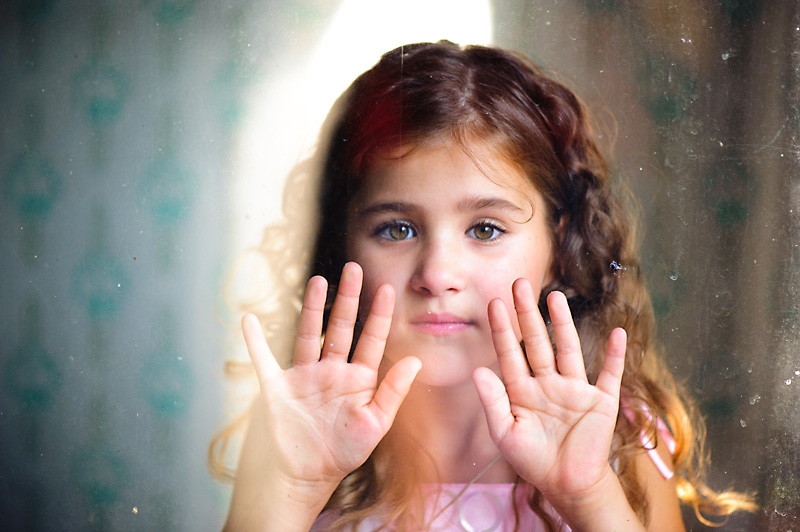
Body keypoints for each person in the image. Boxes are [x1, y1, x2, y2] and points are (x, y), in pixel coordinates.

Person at [211, 41, 756, 531]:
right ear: (344, 245)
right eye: (397, 229)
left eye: (486, 230)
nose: (437, 275)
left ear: (557, 248)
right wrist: (295, 486)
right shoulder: (300, 424)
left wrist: (588, 495)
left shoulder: (619, 439)